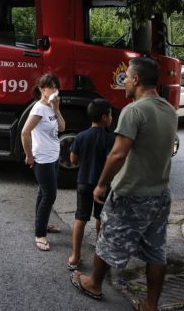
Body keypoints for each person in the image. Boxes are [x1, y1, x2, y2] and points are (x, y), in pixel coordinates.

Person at [70, 57, 177, 311]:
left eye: (126, 77)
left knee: (108, 239)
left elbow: (117, 154)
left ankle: (94, 283)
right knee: (156, 251)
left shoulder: (134, 110)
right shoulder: (169, 110)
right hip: (160, 194)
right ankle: (151, 305)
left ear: (137, 79)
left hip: (132, 192)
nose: (124, 81)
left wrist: (101, 184)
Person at [67, 98, 114, 270]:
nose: (111, 117)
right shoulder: (110, 138)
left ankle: (75, 256)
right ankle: (99, 252)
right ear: (103, 117)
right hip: (102, 185)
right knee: (100, 218)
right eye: (110, 115)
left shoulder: (81, 136)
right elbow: (111, 161)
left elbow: (73, 159)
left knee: (80, 218)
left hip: (83, 182)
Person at [21, 73, 66, 251]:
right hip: (43, 159)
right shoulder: (38, 109)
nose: (55, 90)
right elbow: (24, 132)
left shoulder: (50, 108)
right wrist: (29, 156)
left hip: (53, 156)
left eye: (56, 87)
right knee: (50, 195)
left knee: (43, 193)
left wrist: (57, 109)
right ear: (41, 89)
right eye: (51, 87)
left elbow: (62, 128)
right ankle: (40, 235)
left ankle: (42, 223)